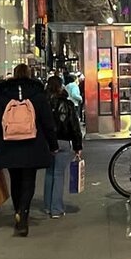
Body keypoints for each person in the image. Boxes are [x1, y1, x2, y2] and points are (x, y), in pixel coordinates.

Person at [0, 64, 58, 237]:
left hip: (9, 144)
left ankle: (17, 210)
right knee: (28, 180)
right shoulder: (38, 95)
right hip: (32, 144)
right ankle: (23, 213)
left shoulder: (3, 96)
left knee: (15, 179)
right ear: (29, 74)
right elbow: (48, 122)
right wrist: (53, 144)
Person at [44, 76, 83, 219]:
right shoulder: (67, 104)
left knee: (49, 173)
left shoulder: (43, 103)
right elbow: (74, 126)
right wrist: (77, 145)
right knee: (59, 174)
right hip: (63, 141)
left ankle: (47, 206)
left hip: (48, 142)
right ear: (61, 87)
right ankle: (56, 209)